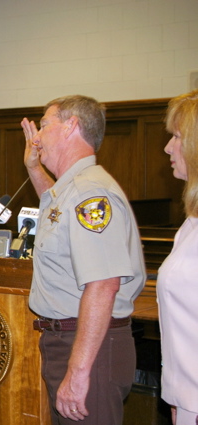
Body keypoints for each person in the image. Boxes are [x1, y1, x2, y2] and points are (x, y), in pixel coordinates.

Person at [20, 95, 145, 424]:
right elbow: (56, 205)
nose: (36, 137)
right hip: (71, 341)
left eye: (44, 125)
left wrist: (77, 372)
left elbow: (103, 285)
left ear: (70, 126)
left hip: (90, 346)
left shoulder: (91, 195)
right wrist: (34, 167)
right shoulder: (73, 189)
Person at [157, 89, 198, 425]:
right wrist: (175, 393)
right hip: (186, 399)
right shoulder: (190, 223)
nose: (168, 147)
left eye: (177, 137)